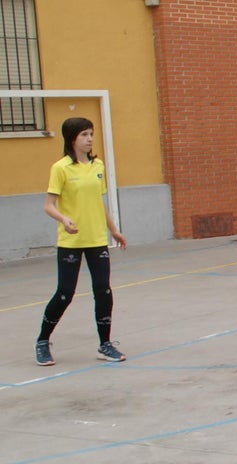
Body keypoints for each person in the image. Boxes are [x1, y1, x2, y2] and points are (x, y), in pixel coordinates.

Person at [35, 117, 128, 366]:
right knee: (65, 293)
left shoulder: (97, 165)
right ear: (72, 138)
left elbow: (99, 202)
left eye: (91, 134)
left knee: (103, 290)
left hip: (96, 238)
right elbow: (48, 206)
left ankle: (105, 344)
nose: (89, 139)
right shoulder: (61, 168)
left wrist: (114, 231)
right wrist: (64, 219)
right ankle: (43, 341)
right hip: (71, 241)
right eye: (84, 135)